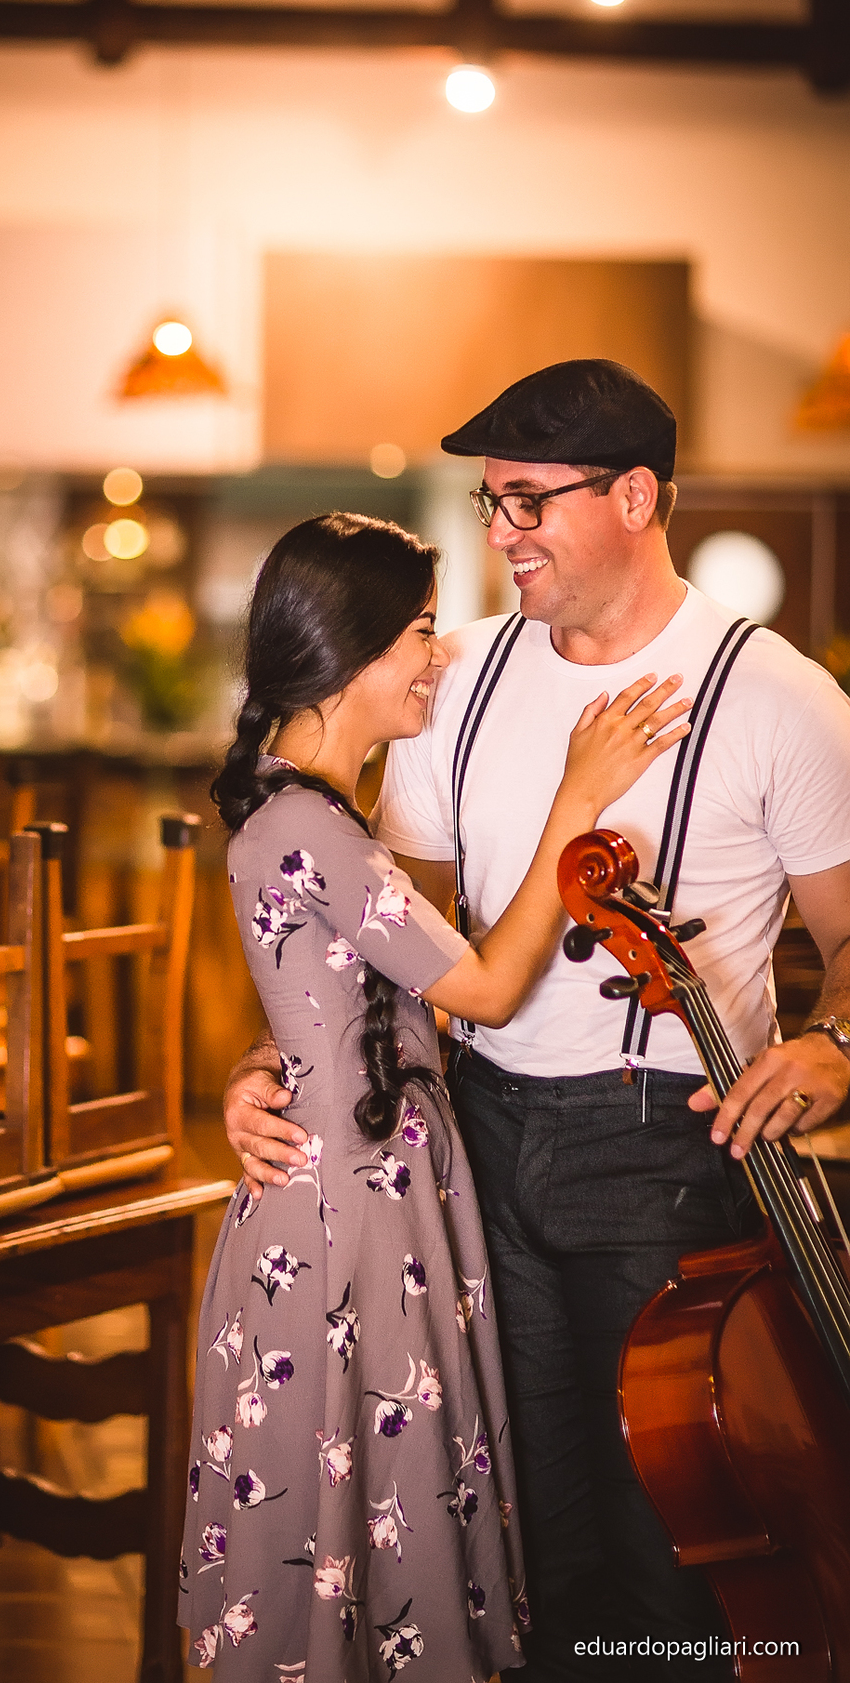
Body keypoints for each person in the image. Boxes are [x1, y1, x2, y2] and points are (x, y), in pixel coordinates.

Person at [223, 361, 850, 1682]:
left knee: (669, 1540)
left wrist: (833, 1045)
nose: (499, 530)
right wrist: (271, 1065)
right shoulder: (457, 685)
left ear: (634, 495)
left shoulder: (778, 696)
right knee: (521, 1531)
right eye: (490, 500)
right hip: (473, 1143)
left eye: (526, 501)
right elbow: (376, 947)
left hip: (668, 1154)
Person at [181, 510, 691, 1680]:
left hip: (371, 1194)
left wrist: (264, 1068)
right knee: (349, 1499)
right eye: (419, 632)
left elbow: (357, 1004)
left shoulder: (305, 811)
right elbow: (492, 988)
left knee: (366, 1498)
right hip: (347, 1216)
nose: (438, 655)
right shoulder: (308, 823)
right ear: (354, 651)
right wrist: (581, 801)